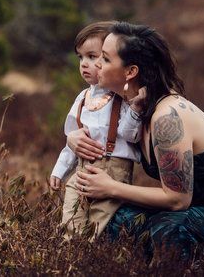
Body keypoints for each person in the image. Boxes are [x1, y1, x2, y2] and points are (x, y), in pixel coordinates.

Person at [68, 21, 204, 257]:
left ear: (131, 71)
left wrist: (111, 188)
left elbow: (177, 199)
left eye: (105, 59)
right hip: (197, 207)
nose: (96, 63)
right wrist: (72, 138)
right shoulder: (133, 107)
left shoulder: (167, 117)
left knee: (166, 228)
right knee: (115, 219)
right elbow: (100, 132)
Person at [49, 21, 142, 239]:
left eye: (93, 56)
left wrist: (136, 109)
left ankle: (92, 256)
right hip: (81, 170)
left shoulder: (123, 98)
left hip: (114, 172)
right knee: (71, 218)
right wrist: (59, 171)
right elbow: (73, 140)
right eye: (80, 57)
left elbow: (131, 135)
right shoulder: (83, 98)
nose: (84, 64)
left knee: (100, 224)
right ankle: (72, 256)